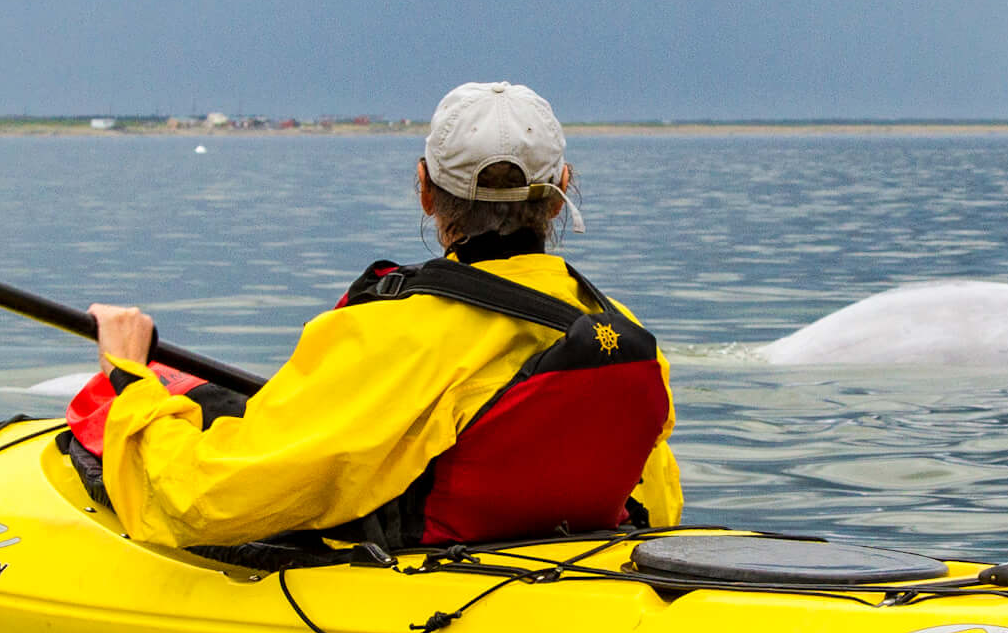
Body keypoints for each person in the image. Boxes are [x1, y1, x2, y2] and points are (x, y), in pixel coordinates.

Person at [74, 81, 682, 552]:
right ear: (560, 191)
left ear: (424, 189)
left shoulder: (389, 331)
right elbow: (659, 501)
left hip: (428, 570)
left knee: (129, 418)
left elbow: (202, 502)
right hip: (569, 555)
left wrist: (129, 380)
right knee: (211, 397)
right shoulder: (616, 331)